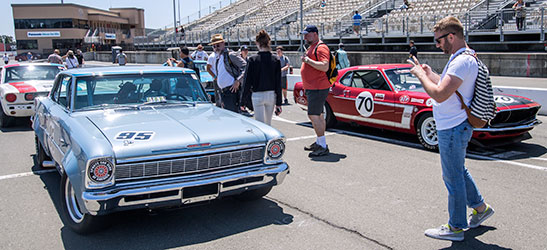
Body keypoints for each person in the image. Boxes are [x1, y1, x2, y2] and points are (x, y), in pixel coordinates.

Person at [409, 16, 494, 242]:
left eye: (439, 41)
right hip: (454, 125)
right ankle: (481, 208)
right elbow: (448, 87)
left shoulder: (461, 62)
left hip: (453, 127)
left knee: (452, 177)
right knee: (459, 171)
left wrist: (420, 77)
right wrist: (429, 74)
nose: (437, 45)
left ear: (451, 37)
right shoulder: (463, 58)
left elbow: (438, 94)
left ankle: (456, 227)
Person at [301, 25, 331, 157]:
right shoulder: (313, 47)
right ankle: (320, 142)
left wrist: (307, 60)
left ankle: (322, 145)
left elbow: (325, 66)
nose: (305, 37)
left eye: (307, 34)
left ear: (315, 34)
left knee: (313, 115)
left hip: (317, 87)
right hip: (314, 87)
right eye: (304, 34)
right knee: (318, 115)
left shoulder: (321, 47)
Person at [241, 30, 282, 125]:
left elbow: (247, 82)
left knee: (260, 124)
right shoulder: (276, 59)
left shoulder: (252, 59)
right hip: (271, 94)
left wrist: (242, 101)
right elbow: (278, 83)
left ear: (257, 43)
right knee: (268, 124)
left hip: (257, 94)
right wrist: (279, 103)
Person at [208, 34, 246, 113]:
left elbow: (246, 67)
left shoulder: (230, 55)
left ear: (223, 43)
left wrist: (238, 81)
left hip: (231, 91)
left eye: (218, 45)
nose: (216, 48)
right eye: (214, 46)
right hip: (223, 92)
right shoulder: (218, 58)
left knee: (232, 117)